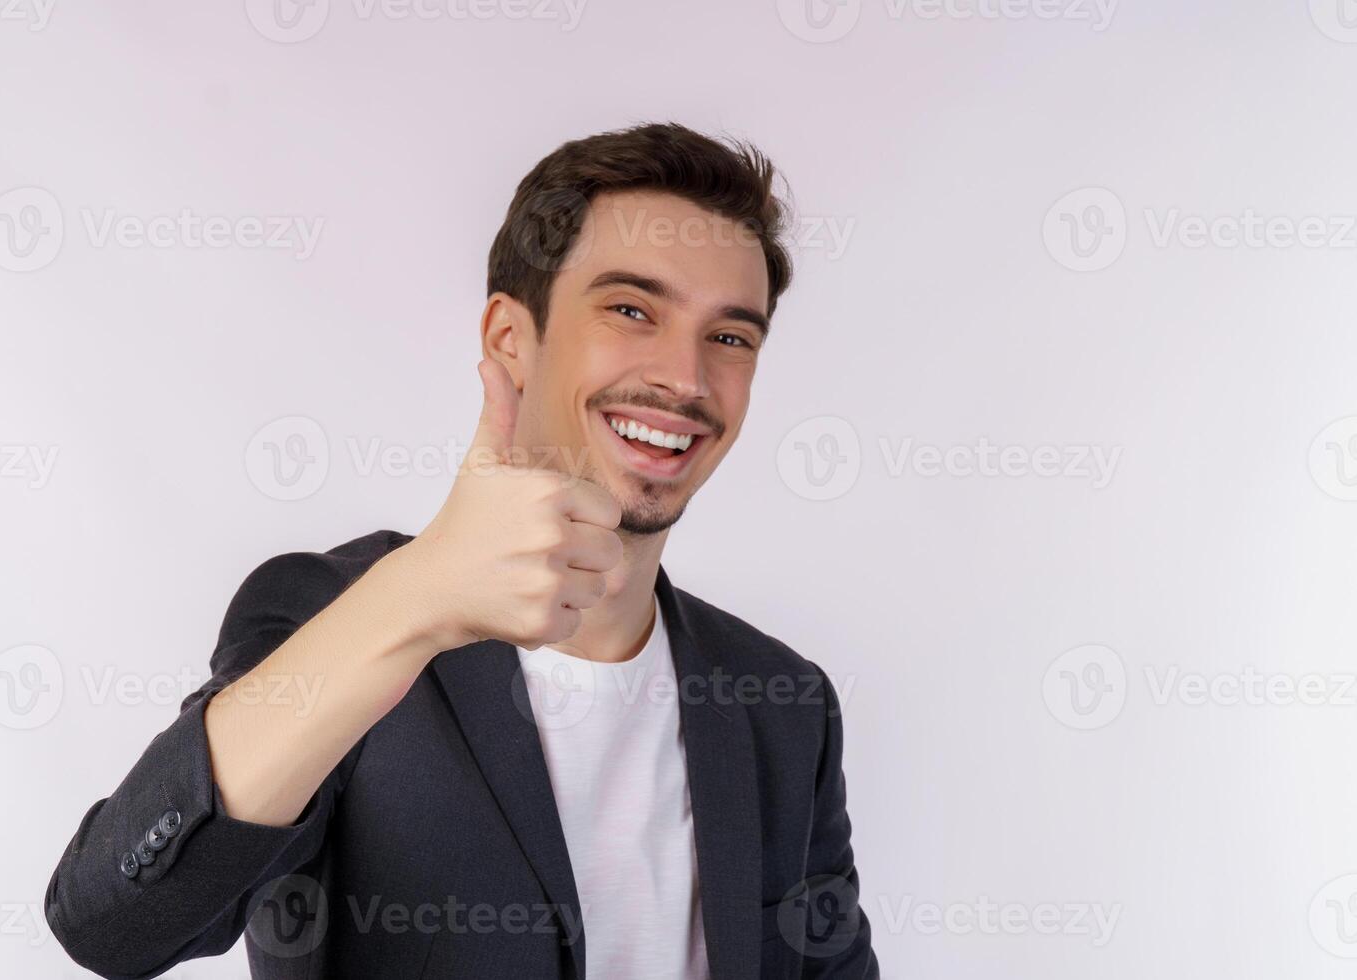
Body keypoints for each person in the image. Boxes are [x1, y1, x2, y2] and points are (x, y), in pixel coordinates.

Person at [45, 121, 880, 979]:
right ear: (511, 340)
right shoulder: (334, 613)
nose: (686, 378)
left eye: (731, 337)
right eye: (632, 310)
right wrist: (417, 599)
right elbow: (114, 925)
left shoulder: (782, 703)